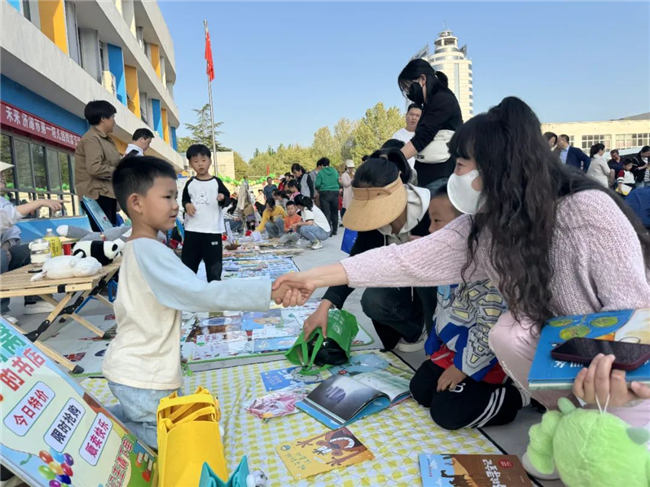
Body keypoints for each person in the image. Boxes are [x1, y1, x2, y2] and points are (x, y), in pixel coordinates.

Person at [274, 96, 650, 431]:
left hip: (620, 368)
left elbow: (635, 315)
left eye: (460, 164)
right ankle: (566, 418)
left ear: (496, 166)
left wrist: (616, 374)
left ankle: (609, 425)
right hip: (564, 357)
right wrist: (311, 277)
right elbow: (406, 259)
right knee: (509, 332)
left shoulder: (588, 211)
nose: (454, 175)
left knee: (616, 452)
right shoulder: (487, 225)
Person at [104, 155, 284, 447]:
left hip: (133, 372)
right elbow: (201, 294)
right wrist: (267, 291)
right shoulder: (150, 252)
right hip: (143, 378)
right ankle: (106, 435)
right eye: (167, 196)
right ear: (136, 203)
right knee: (191, 440)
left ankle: (104, 420)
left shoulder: (140, 248)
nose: (176, 204)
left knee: (144, 417)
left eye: (176, 196)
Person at [410, 183, 525, 430]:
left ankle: (517, 395)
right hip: (459, 347)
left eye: (437, 221)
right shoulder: (451, 260)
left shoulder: (489, 270)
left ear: (466, 226)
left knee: (446, 414)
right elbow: (444, 307)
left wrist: (462, 368)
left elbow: (489, 329)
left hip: (490, 356)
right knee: (421, 389)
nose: (430, 229)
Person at [302, 153, 434, 352]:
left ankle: (437, 339)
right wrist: (324, 308)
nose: (375, 217)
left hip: (437, 287)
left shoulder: (434, 211)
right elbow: (354, 264)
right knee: (373, 300)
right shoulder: (373, 225)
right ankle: (413, 331)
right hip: (401, 287)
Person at [0, 162, 62, 323]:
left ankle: (35, 299)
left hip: (2, 250)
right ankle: (1, 311)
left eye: (3, 174)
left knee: (33, 250)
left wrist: (6, 246)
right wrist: (38, 202)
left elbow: (12, 230)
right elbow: (6, 217)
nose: (3, 177)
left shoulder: (1, 200)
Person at [397, 59, 462, 187]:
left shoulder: (443, 98)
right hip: (428, 173)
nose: (408, 93)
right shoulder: (429, 104)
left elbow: (421, 138)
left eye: (408, 87)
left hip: (440, 175)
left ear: (422, 79)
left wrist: (394, 161)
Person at [181, 144, 230, 282]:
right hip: (192, 231)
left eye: (203, 160)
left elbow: (228, 199)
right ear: (190, 164)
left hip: (212, 232)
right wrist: (187, 205)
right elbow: (184, 200)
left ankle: (214, 296)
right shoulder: (190, 183)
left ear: (210, 161)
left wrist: (222, 198)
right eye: (195, 162)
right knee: (188, 268)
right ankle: (187, 295)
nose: (200, 164)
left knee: (214, 270)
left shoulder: (216, 182)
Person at [74, 100, 122, 229]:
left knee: (111, 236)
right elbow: (94, 168)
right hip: (96, 196)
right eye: (112, 117)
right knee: (104, 238)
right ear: (103, 119)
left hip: (108, 193)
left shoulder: (106, 139)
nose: (114, 121)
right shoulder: (91, 139)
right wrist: (119, 171)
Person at [392, 104, 423, 170]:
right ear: (406, 115)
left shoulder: (424, 136)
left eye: (417, 116)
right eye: (411, 114)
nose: (414, 118)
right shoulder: (397, 135)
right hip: (403, 176)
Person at [314, 157, 340, 235]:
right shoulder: (335, 171)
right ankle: (335, 230)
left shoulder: (321, 173)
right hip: (335, 192)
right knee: (334, 212)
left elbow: (317, 184)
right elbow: (338, 181)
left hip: (324, 193)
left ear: (322, 165)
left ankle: (328, 231)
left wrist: (319, 188)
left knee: (326, 212)